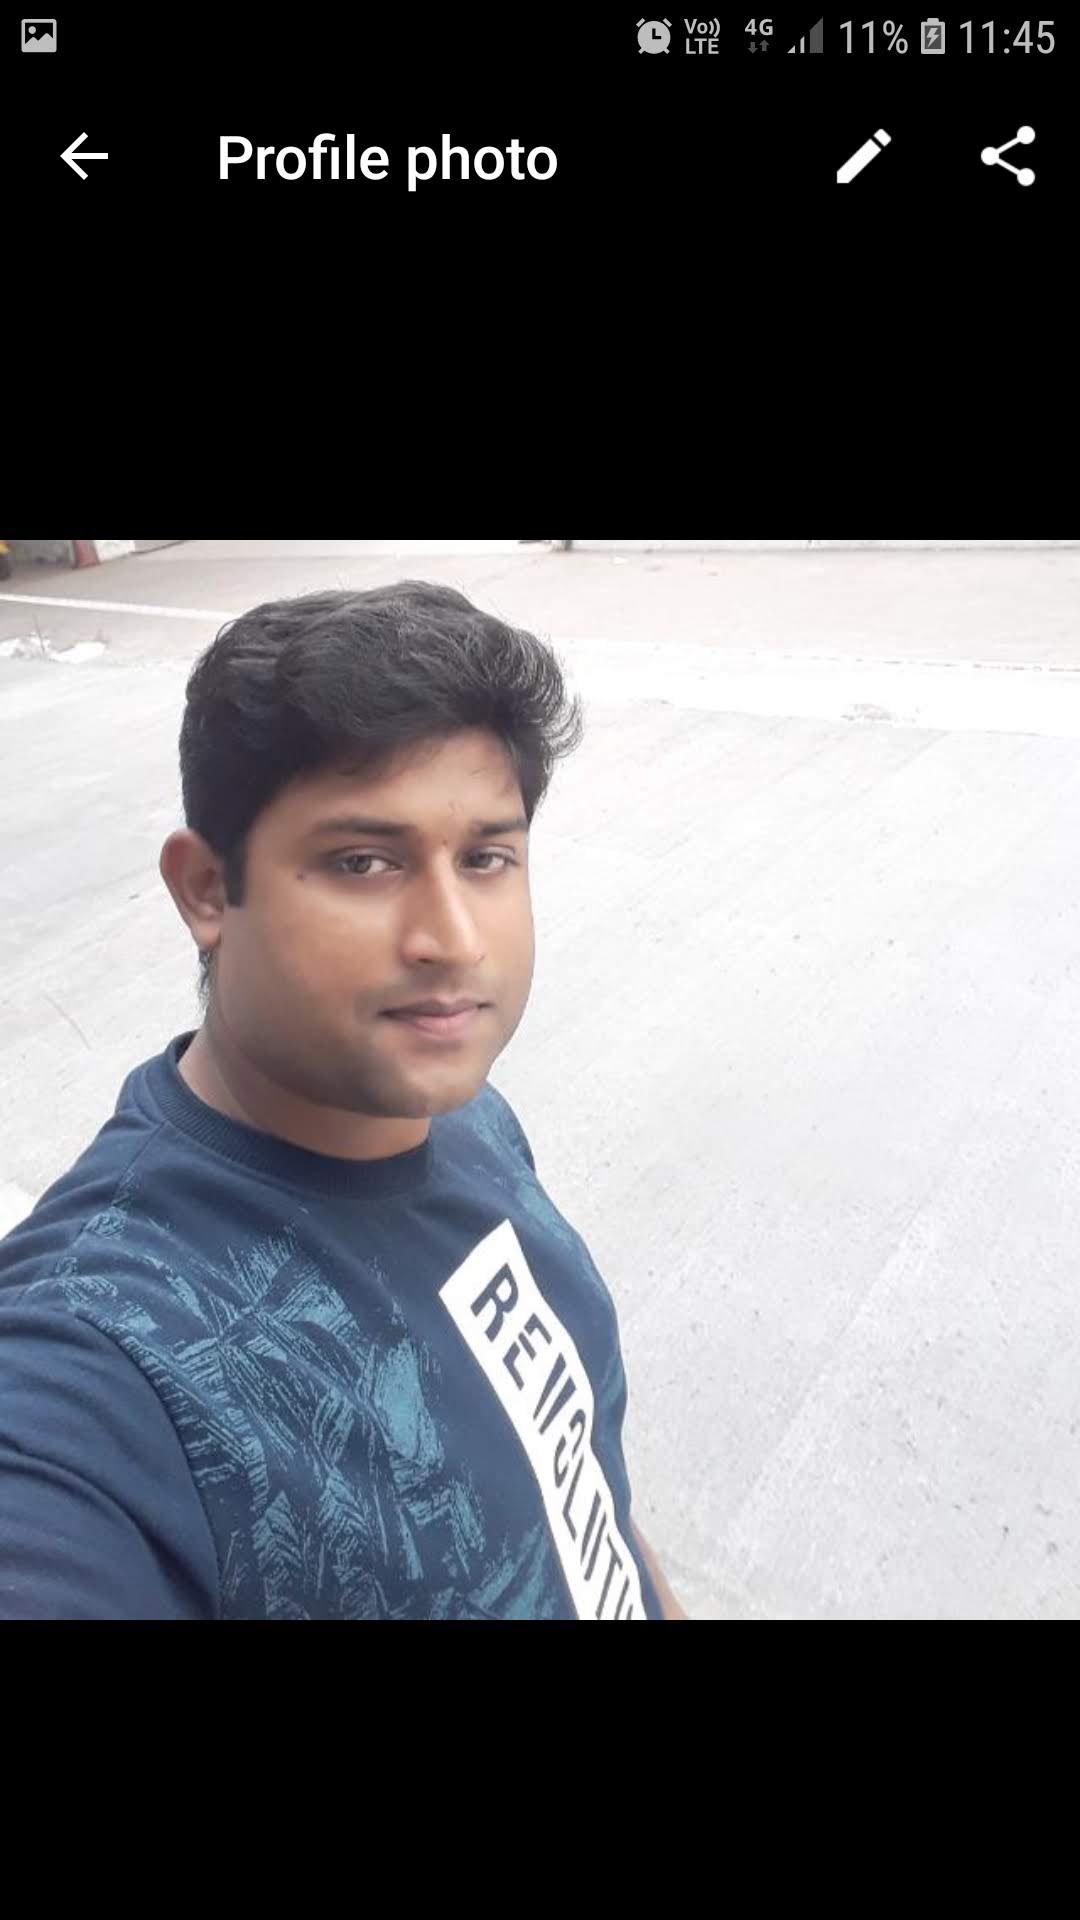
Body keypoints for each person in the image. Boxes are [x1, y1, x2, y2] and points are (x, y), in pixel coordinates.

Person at [0, 581, 687, 1620]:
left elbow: (581, 1489)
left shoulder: (464, 1116)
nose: (453, 940)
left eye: (486, 858)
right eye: (363, 862)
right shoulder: (101, 1357)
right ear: (206, 890)